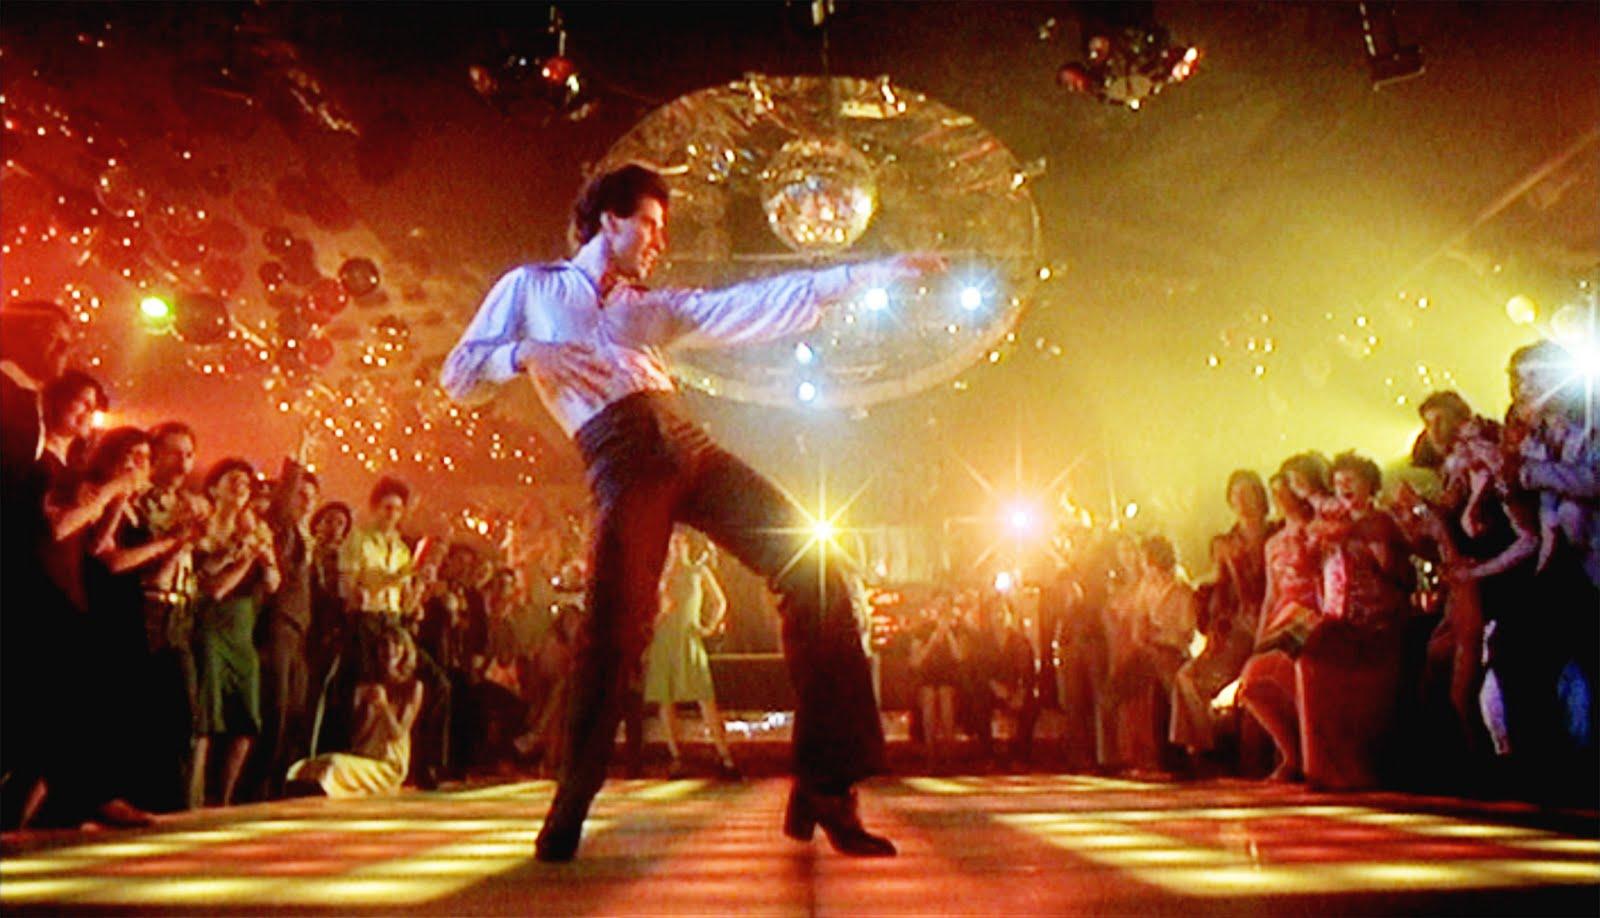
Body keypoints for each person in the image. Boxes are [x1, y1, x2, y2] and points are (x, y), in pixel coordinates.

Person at [443, 163, 944, 860]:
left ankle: (828, 787)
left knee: (818, 568)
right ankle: (571, 801)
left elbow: (758, 301)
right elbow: (459, 373)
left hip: (688, 446)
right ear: (609, 221)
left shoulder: (652, 307)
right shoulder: (532, 288)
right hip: (621, 457)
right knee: (614, 630)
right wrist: (525, 351)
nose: (658, 240)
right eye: (648, 224)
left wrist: (872, 273)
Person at [193, 458, 280, 807]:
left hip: (243, 625)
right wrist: (243, 554)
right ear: (214, 487)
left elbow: (273, 582)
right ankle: (194, 796)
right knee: (207, 717)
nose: (241, 487)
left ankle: (226, 798)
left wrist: (265, 559)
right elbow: (211, 586)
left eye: (245, 482)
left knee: (245, 719)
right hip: (209, 623)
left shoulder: (258, 528)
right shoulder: (203, 524)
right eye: (233, 480)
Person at [644, 531, 738, 778]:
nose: (674, 547)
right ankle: (676, 756)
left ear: (686, 544)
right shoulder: (662, 576)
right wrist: (661, 611)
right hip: (665, 639)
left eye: (678, 542)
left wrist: (710, 626)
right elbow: (652, 612)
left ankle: (724, 755)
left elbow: (720, 601)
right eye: (671, 542)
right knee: (666, 699)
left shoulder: (698, 571)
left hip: (689, 638)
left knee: (705, 697)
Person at [287, 625, 423, 797]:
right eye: (384, 644)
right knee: (315, 763)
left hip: (389, 763)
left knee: (334, 766)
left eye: (396, 644)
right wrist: (366, 709)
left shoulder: (412, 687)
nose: (390, 650)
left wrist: (383, 706)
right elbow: (358, 738)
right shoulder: (367, 686)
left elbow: (397, 733)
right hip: (365, 755)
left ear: (405, 650)